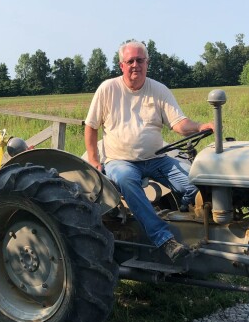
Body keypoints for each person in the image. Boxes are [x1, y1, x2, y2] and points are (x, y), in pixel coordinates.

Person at [84, 40, 213, 262]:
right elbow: (91, 126)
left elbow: (178, 123)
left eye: (140, 60)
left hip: (157, 158)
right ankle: (165, 240)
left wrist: (199, 127)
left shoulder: (158, 90)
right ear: (121, 65)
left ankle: (197, 224)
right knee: (126, 180)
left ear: (147, 63)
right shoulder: (108, 89)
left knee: (194, 184)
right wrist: (95, 160)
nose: (135, 65)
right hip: (120, 160)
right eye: (130, 61)